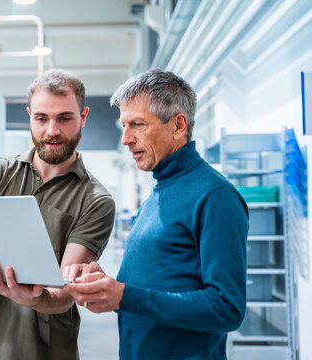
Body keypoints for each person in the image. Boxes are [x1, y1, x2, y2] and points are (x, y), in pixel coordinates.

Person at [64, 69, 249, 360]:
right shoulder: (161, 190)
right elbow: (160, 282)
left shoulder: (215, 196)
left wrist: (126, 296)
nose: (126, 138)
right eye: (124, 125)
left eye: (138, 124)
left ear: (178, 125)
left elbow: (227, 308)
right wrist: (106, 284)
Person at [0, 68, 116, 360]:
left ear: (84, 116)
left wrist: (37, 297)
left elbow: (66, 294)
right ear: (30, 115)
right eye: (41, 118)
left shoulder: (96, 200)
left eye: (64, 118)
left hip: (46, 350)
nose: (52, 130)